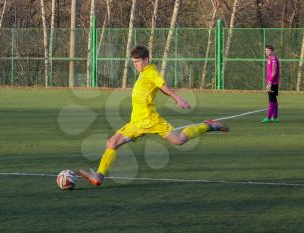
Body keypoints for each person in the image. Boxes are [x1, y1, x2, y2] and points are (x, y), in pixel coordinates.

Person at [80, 45, 229, 186]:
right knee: (111, 143)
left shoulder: (151, 71)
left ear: (146, 59)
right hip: (136, 122)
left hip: (151, 120)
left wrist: (178, 98)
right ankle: (98, 176)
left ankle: (209, 126)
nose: (135, 64)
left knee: (179, 140)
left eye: (138, 61)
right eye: (133, 62)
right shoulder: (144, 73)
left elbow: (163, 86)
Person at [262, 44, 280, 123]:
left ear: (272, 51)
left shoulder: (273, 59)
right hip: (272, 82)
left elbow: (274, 72)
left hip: (272, 82)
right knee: (274, 99)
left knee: (271, 100)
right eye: (266, 50)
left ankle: (268, 117)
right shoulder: (270, 58)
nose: (267, 52)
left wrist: (269, 82)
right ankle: (275, 117)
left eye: (268, 50)